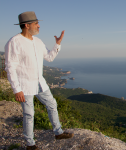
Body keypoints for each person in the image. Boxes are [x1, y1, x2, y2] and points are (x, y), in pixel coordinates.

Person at [5, 11, 74, 150]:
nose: (39, 26)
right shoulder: (14, 42)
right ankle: (30, 144)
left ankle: (58, 132)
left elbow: (49, 57)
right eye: (36, 23)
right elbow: (10, 67)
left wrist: (57, 44)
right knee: (29, 114)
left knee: (52, 105)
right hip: (24, 85)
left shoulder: (38, 41)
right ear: (26, 25)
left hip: (40, 83)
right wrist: (16, 89)